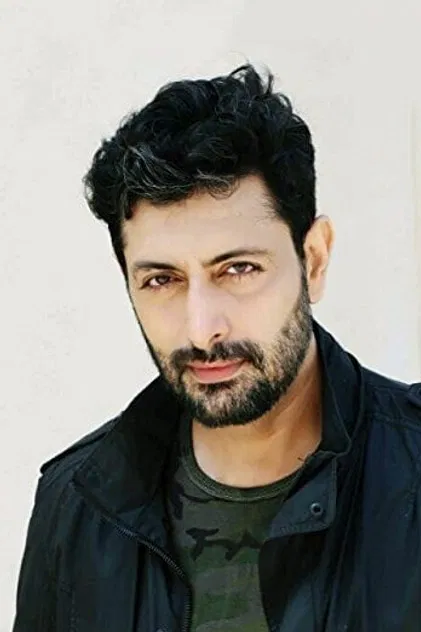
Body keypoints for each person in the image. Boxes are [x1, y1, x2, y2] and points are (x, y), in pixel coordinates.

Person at [13, 63, 421, 632]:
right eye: (162, 280)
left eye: (238, 269)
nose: (202, 330)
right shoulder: (75, 506)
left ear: (314, 260)